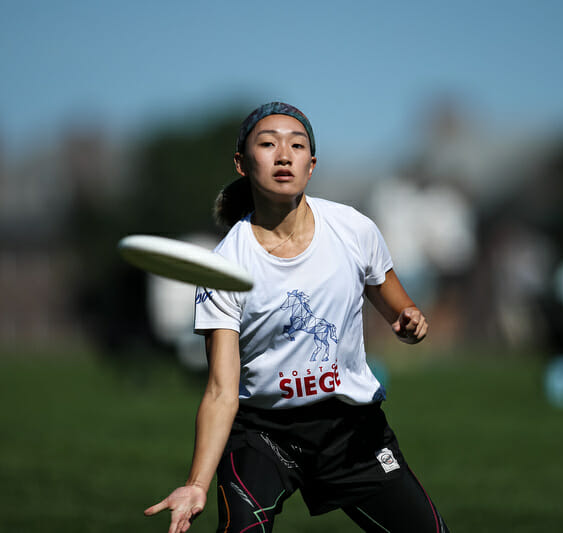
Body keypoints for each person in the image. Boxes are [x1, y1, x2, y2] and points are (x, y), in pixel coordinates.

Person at [144, 102, 449, 533]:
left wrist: (412, 323)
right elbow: (220, 391)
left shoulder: (353, 230)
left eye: (297, 145)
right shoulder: (225, 266)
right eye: (267, 144)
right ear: (242, 164)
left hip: (350, 431)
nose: (283, 154)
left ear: (311, 165)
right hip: (265, 435)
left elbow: (403, 311)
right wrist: (196, 484)